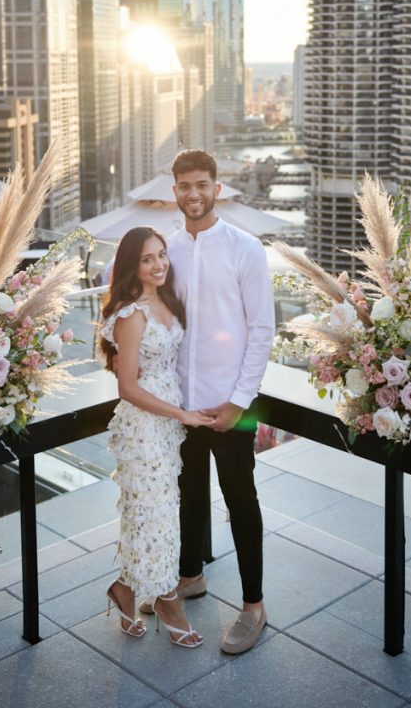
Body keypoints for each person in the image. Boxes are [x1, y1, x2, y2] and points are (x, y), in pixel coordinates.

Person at [140, 149, 275, 655]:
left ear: (218, 188)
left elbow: (262, 330)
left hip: (232, 404)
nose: (192, 193)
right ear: (173, 191)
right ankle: (190, 576)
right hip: (182, 402)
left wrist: (240, 402)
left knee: (242, 500)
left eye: (201, 184)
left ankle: (254, 606)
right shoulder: (166, 250)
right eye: (183, 185)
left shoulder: (246, 248)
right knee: (189, 493)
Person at [99, 226, 214, 648]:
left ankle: (126, 591)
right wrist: (182, 413)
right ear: (132, 265)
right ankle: (167, 601)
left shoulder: (167, 300)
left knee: (154, 515)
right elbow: (127, 387)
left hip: (169, 427)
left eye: (162, 255)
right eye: (147, 258)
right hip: (144, 428)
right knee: (154, 516)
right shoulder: (132, 316)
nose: (159, 264)